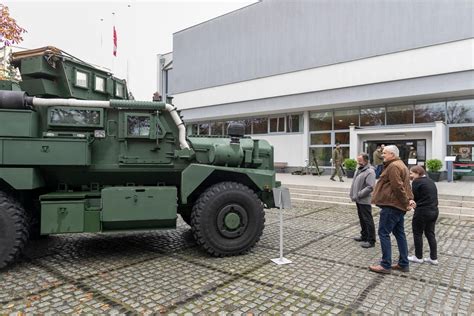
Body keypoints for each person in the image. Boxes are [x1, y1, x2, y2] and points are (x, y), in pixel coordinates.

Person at [369, 145, 414, 274]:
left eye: (385, 153)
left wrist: (407, 201)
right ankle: (403, 264)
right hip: (397, 206)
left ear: (392, 155)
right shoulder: (401, 164)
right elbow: (406, 185)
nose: (382, 155)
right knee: (400, 234)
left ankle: (385, 265)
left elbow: (398, 187)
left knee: (383, 233)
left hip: (392, 206)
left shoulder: (393, 166)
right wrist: (410, 199)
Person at [408, 166, 439, 265]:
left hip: (422, 212)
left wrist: (412, 203)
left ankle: (418, 257)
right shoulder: (430, 181)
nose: (410, 176)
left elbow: (414, 197)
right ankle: (433, 258)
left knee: (417, 233)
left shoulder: (417, 182)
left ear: (417, 173)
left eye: (411, 173)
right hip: (434, 211)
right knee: (430, 234)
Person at [349, 153, 376, 248]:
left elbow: (370, 187)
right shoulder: (359, 169)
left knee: (368, 220)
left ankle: (371, 240)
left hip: (364, 200)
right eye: (358, 160)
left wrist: (358, 195)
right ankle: (364, 236)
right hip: (358, 199)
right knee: (362, 219)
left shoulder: (370, 171)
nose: (358, 162)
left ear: (366, 160)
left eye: (360, 160)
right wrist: (353, 194)